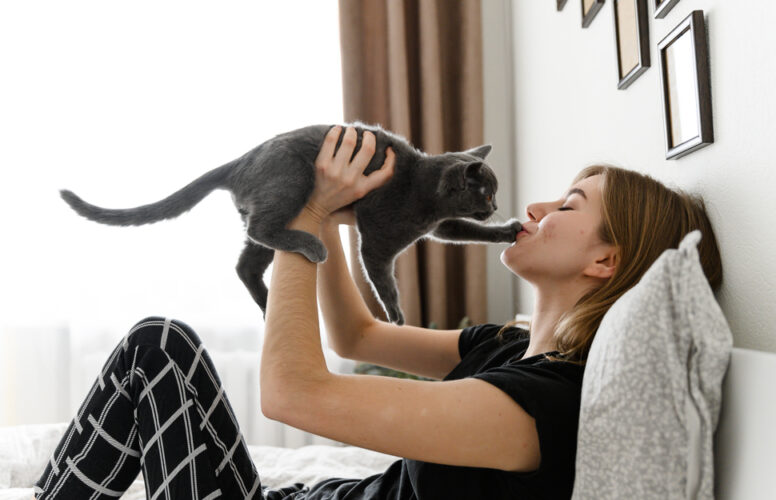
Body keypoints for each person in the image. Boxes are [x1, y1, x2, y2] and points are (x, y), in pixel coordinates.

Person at [33, 125, 722, 500]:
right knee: (158, 348)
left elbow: (292, 393)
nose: (536, 208)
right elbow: (355, 335)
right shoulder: (507, 348)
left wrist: (299, 221)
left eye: (569, 205)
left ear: (605, 262)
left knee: (157, 350)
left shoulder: (539, 405)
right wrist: (334, 211)